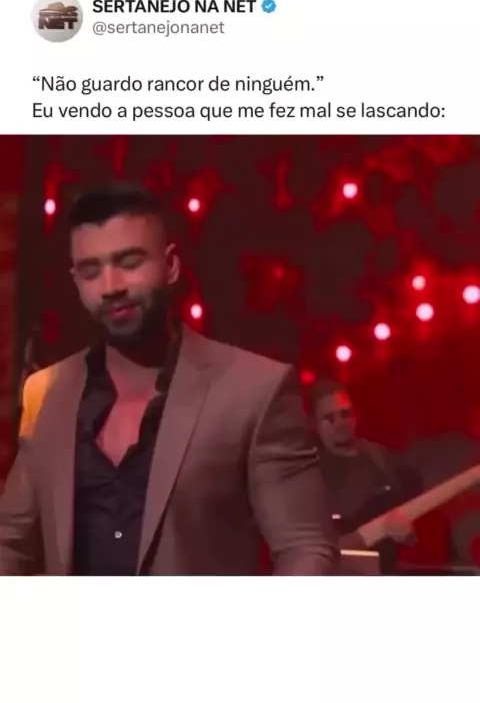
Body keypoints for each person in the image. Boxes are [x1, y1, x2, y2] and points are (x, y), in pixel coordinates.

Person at [0, 181, 337, 576]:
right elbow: (10, 540)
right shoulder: (48, 391)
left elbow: (305, 548)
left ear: (171, 265)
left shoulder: (255, 390)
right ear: (76, 281)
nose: (111, 287)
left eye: (129, 262)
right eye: (91, 271)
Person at [311, 377, 418, 572]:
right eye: (330, 418)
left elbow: (410, 529)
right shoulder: (308, 472)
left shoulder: (379, 457)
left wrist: (407, 534)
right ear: (316, 425)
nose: (340, 423)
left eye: (345, 414)